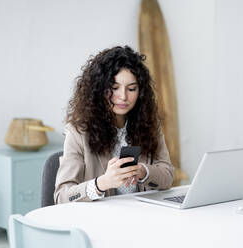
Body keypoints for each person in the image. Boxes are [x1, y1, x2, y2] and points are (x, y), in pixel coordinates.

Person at [54, 46, 174, 204]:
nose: (123, 97)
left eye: (131, 89)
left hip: (142, 216)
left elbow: (168, 176)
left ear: (141, 92)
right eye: (114, 88)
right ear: (99, 89)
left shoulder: (148, 124)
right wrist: (101, 183)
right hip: (100, 222)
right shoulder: (78, 132)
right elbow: (62, 197)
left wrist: (143, 172)